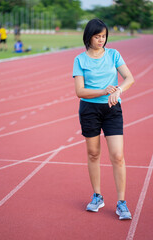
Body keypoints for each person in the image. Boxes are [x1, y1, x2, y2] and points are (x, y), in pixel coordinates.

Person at [73, 19, 134, 220]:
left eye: (104, 36)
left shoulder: (114, 54)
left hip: (112, 108)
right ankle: (97, 196)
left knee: (117, 155)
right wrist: (102, 90)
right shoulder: (80, 60)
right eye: (97, 36)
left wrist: (118, 91)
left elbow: (129, 78)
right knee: (93, 154)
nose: (101, 40)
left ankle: (122, 202)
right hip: (89, 110)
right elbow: (79, 91)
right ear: (88, 36)